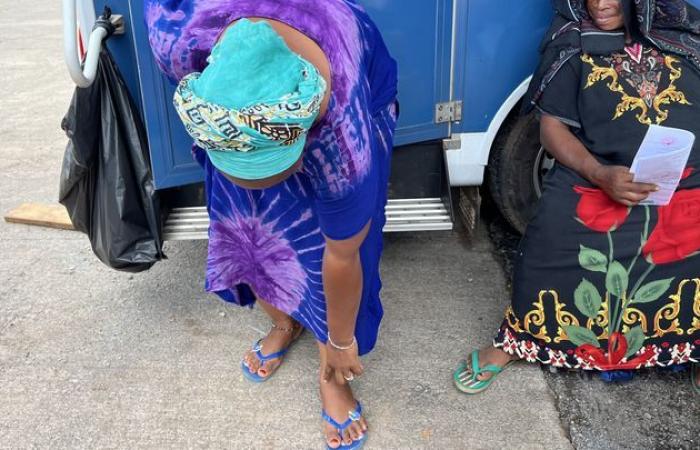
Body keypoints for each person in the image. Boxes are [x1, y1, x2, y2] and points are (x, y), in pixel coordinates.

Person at [145, 1, 398, 447]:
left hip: (343, 72)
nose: (258, 184)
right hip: (239, 95)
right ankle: (286, 321)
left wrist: (342, 343)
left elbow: (344, 254)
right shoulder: (179, 39)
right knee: (247, 228)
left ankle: (331, 377)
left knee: (327, 246)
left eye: (270, 167)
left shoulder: (342, 136)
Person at [454, 0, 700, 394]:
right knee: (548, 240)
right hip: (598, 174)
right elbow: (552, 130)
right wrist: (600, 174)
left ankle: (691, 344)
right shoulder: (574, 45)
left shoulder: (685, 43)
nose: (600, 3)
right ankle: (519, 339)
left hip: (683, 181)